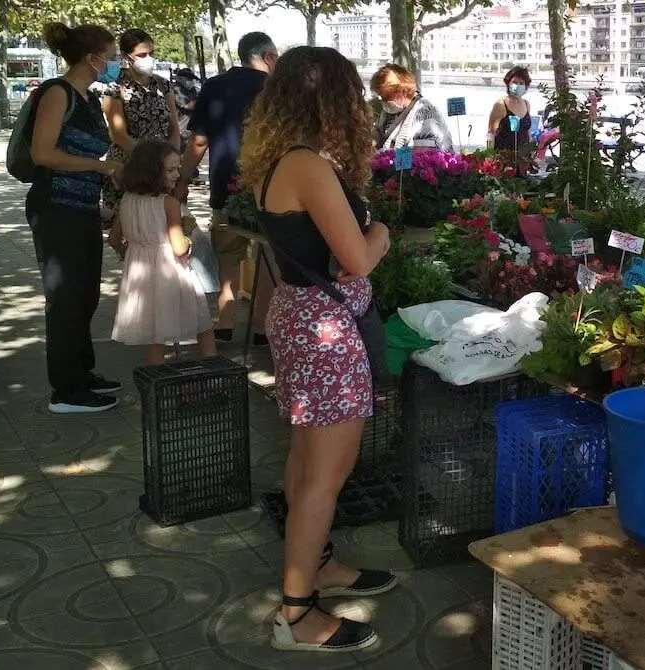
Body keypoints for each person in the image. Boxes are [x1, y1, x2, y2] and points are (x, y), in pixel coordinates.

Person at [239, 46, 394, 652]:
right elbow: (356, 259)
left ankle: (317, 564)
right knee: (323, 478)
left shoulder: (279, 161)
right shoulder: (307, 164)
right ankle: (297, 614)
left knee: (308, 461)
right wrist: (378, 230)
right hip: (325, 331)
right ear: (334, 99)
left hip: (303, 321)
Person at [28, 22, 124, 414]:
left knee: (85, 294)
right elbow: (42, 154)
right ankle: (66, 390)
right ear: (93, 57)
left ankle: (81, 373)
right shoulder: (57, 93)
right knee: (66, 298)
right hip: (57, 208)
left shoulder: (87, 97)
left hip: (82, 208)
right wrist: (97, 168)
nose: (115, 62)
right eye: (112, 55)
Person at [177, 32, 278, 346]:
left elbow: (198, 141)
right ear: (269, 56)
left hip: (226, 183)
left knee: (228, 253)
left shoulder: (216, 86)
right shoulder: (279, 89)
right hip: (271, 186)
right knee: (268, 253)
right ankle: (262, 325)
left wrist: (181, 181)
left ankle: (225, 320)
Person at [109, 140, 215, 364]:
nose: (177, 174)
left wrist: (127, 252)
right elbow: (178, 247)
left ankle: (155, 380)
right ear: (152, 172)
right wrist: (188, 234)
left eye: (178, 168)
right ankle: (212, 368)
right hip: (170, 272)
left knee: (155, 334)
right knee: (203, 324)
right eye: (171, 170)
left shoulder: (126, 200)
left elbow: (114, 238)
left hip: (140, 273)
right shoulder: (168, 203)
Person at [100, 29, 179, 229]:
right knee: (132, 230)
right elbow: (119, 134)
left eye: (151, 53)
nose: (149, 59)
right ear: (128, 56)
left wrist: (172, 162)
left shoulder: (163, 85)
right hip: (131, 168)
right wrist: (149, 162)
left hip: (163, 169)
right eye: (142, 55)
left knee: (163, 227)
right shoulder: (114, 88)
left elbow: (174, 128)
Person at [371, 64, 453, 153]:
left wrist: (390, 152)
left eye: (385, 97)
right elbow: (379, 133)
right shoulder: (389, 111)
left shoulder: (425, 111)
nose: (383, 101)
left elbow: (425, 155)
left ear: (403, 91)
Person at [487, 66, 533, 151]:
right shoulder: (500, 105)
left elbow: (528, 131)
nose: (518, 86)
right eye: (514, 82)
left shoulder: (527, 104)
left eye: (521, 83)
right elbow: (491, 134)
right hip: (504, 158)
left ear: (526, 86)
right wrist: (490, 157)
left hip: (524, 158)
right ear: (508, 84)